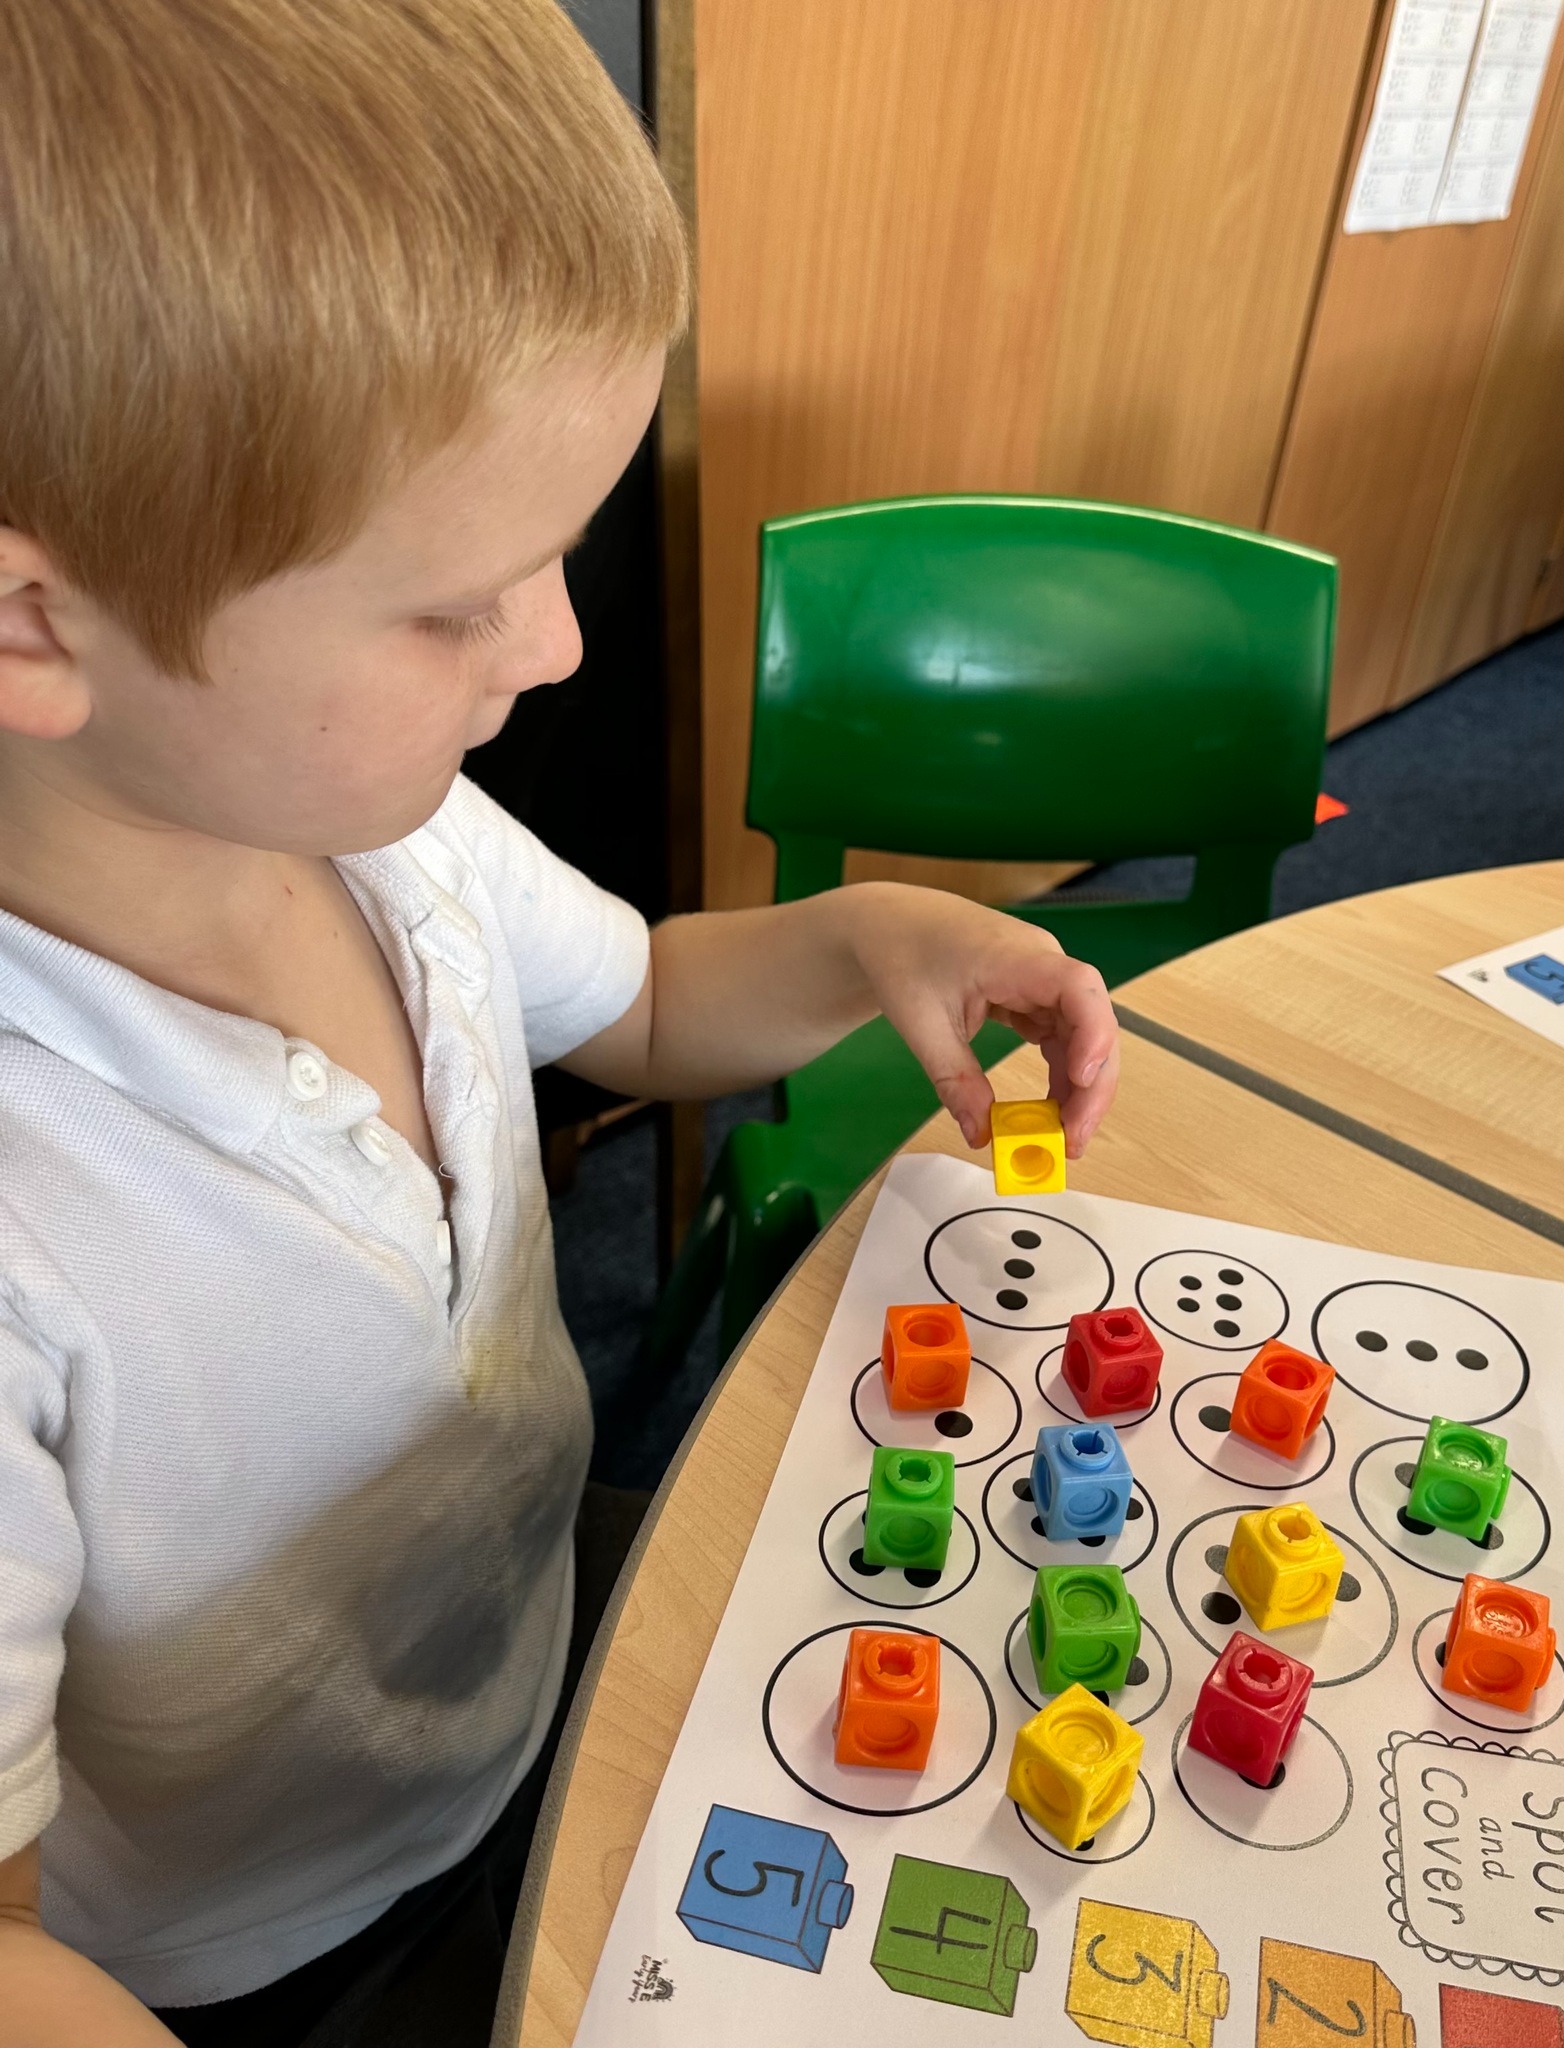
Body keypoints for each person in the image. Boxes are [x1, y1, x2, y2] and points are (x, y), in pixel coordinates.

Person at [0, 4, 1119, 2043]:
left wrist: (864, 933)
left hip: (539, 1670)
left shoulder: (391, 832)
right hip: (257, 1942)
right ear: (31, 622)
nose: (563, 645)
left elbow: (651, 998)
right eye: (463, 602)